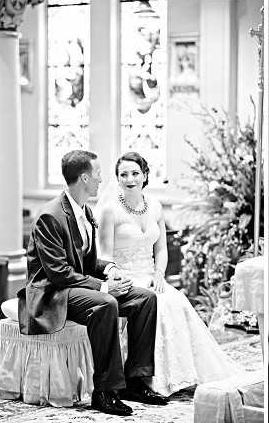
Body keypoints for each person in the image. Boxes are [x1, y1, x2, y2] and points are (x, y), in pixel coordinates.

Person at [18, 150, 167, 417]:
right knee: (106, 303)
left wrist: (110, 269)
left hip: (74, 286)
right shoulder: (50, 215)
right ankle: (105, 391)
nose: (102, 179)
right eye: (98, 173)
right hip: (53, 293)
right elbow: (59, 273)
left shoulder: (84, 210)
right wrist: (104, 287)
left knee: (145, 299)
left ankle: (135, 381)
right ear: (84, 178)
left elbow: (87, 261)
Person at [95, 152, 242, 396]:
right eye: (124, 174)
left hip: (152, 276)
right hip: (126, 277)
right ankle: (143, 380)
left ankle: (181, 375)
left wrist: (160, 274)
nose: (130, 179)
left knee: (177, 300)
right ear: (117, 179)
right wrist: (117, 276)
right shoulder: (110, 210)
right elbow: (105, 256)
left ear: (144, 176)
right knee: (158, 305)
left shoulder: (155, 206)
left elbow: (161, 248)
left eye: (135, 173)